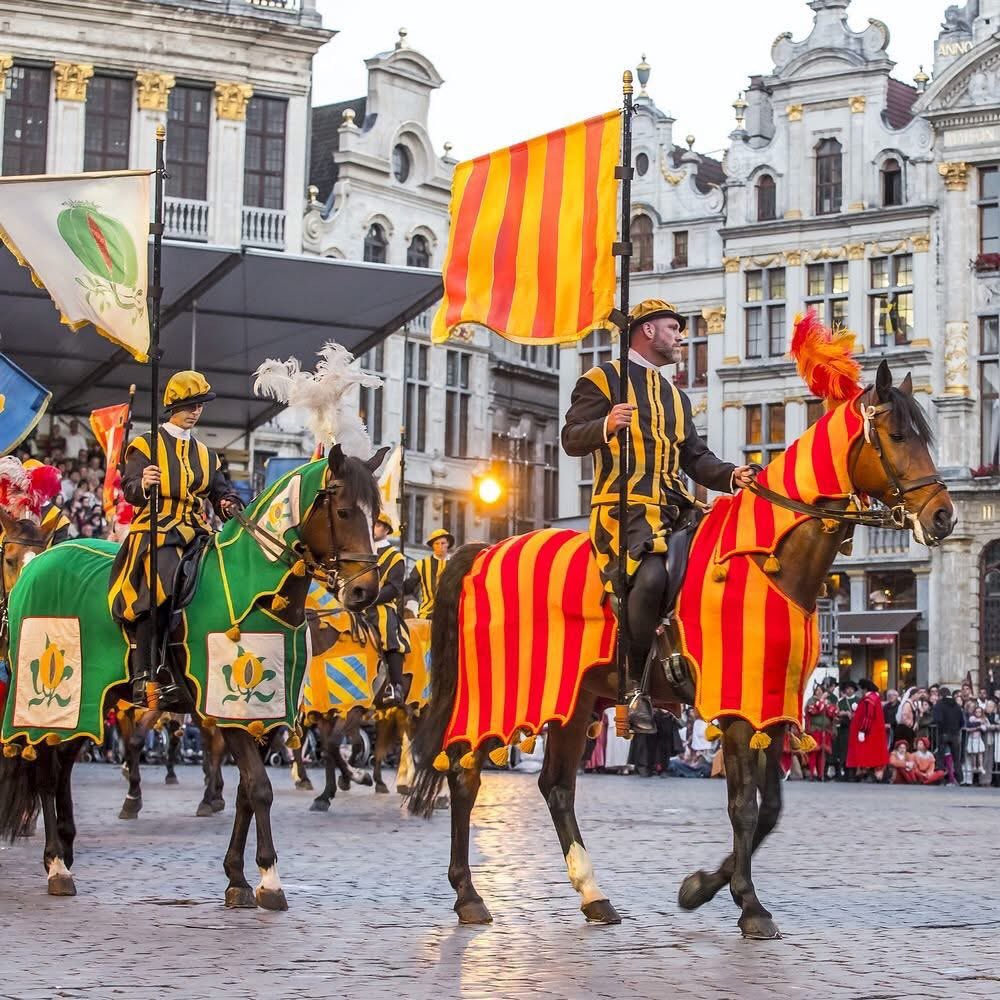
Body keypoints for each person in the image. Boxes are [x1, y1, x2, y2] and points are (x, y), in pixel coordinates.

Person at [561, 298, 754, 733]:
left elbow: (697, 460)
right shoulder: (602, 380)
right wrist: (606, 425)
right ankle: (634, 688)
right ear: (647, 331)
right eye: (673, 328)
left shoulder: (677, 398)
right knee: (649, 577)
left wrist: (732, 475)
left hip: (675, 508)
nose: (680, 336)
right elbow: (571, 439)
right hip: (623, 508)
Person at [108, 371, 243, 704]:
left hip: (196, 530)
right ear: (173, 406)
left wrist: (227, 504)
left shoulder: (207, 455)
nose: (195, 411)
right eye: (189, 405)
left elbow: (220, 492)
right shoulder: (144, 445)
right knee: (160, 582)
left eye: (200, 405)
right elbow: (129, 490)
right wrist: (144, 484)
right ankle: (144, 673)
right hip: (157, 529)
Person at [368, 512, 411, 707]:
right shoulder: (361, 551)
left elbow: (394, 588)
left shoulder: (396, 557)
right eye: (372, 524)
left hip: (381, 607)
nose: (373, 528)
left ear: (386, 529)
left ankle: (395, 686)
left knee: (389, 634)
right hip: (355, 606)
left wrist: (369, 599)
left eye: (377, 525)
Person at [404, 528, 453, 619]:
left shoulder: (455, 564)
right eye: (436, 543)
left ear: (448, 544)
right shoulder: (422, 564)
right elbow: (409, 586)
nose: (440, 546)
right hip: (427, 614)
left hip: (450, 614)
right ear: (432, 546)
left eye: (443, 543)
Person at [846, 678, 889, 781]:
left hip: (869, 732)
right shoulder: (872, 698)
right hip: (871, 731)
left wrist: (863, 730)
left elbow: (868, 716)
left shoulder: (870, 699)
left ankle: (865, 771)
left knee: (866, 752)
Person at [804, 680, 838, 780]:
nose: (818, 692)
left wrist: (826, 704)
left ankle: (821, 774)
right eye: (817, 690)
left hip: (825, 731)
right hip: (815, 730)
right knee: (813, 753)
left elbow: (833, 712)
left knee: (822, 754)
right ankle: (811, 773)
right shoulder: (811, 700)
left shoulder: (827, 701)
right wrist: (821, 701)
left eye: (820, 690)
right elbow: (813, 710)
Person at [932, 686, 964, 786]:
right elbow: (962, 722)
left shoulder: (939, 704)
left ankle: (941, 778)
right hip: (955, 734)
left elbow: (937, 719)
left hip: (943, 733)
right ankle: (960, 779)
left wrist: (942, 727)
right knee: (956, 758)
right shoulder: (957, 705)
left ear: (941, 695)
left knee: (941, 757)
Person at [834, 677, 860, 779]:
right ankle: (843, 771)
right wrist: (844, 713)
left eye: (851, 689)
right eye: (847, 689)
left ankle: (853, 773)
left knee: (854, 750)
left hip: (855, 729)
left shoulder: (858, 700)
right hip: (844, 729)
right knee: (843, 750)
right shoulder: (840, 702)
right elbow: (836, 713)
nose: (849, 690)